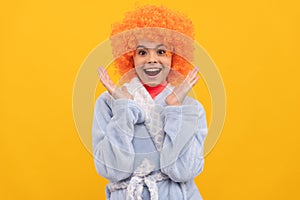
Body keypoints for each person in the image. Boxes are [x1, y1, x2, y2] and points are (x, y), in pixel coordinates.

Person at [92, 5, 208, 200]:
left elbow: (184, 171)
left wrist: (175, 108)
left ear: (175, 57)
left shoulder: (191, 108)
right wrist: (123, 108)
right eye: (142, 52)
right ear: (130, 57)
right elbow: (112, 170)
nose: (152, 60)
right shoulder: (108, 103)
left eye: (161, 52)